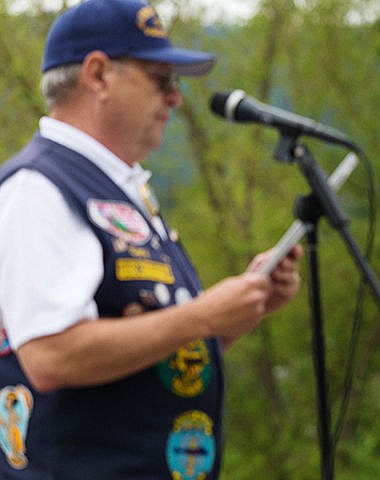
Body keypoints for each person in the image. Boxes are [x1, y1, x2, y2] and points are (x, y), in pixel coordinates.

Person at [0, 1, 303, 478]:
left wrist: (241, 307)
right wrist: (201, 315)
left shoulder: (121, 190)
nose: (176, 98)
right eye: (163, 79)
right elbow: (51, 356)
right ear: (98, 75)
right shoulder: (40, 187)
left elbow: (154, 351)